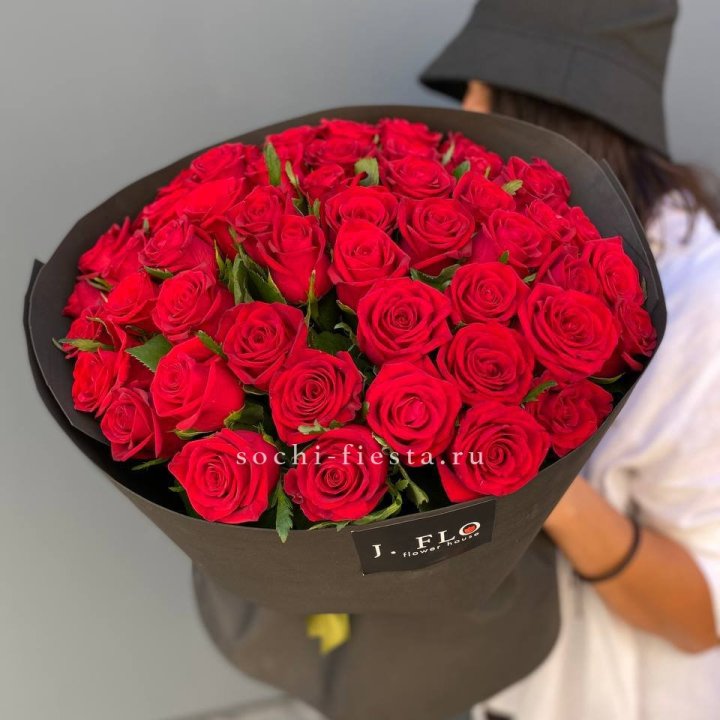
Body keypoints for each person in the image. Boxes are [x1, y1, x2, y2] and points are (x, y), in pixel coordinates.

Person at [421, 1, 720, 719]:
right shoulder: (514, 250)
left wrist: (529, 469)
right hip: (498, 687)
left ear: (541, 112)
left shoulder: (698, 302)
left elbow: (700, 615)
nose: (463, 116)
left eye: (478, 91)